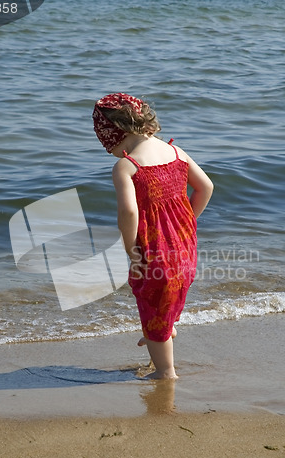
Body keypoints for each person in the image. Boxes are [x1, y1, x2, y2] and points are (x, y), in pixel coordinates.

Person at [92, 93, 213, 379]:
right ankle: (161, 333)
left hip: (155, 252)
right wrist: (185, 223)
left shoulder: (127, 166)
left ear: (113, 134)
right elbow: (205, 187)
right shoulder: (176, 152)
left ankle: (165, 372)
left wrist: (132, 250)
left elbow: (129, 214)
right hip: (185, 247)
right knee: (169, 297)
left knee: (152, 299)